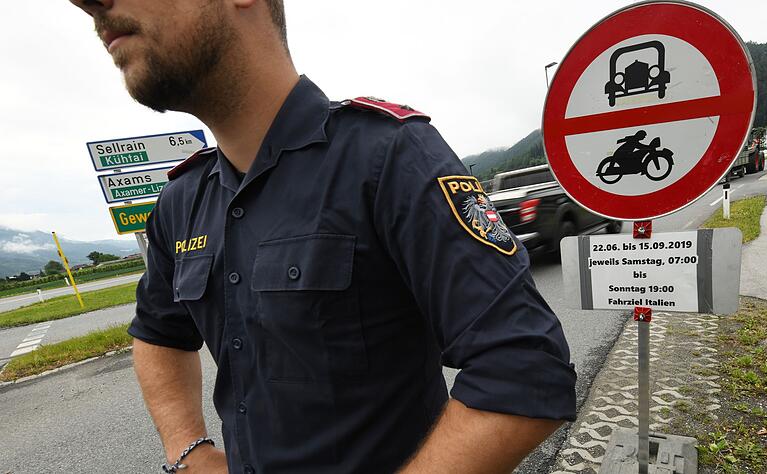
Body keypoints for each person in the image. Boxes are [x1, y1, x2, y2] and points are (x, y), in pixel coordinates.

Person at [69, 1, 577, 472]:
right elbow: (158, 333)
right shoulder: (181, 201)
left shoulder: (388, 158)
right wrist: (188, 451)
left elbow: (525, 368)